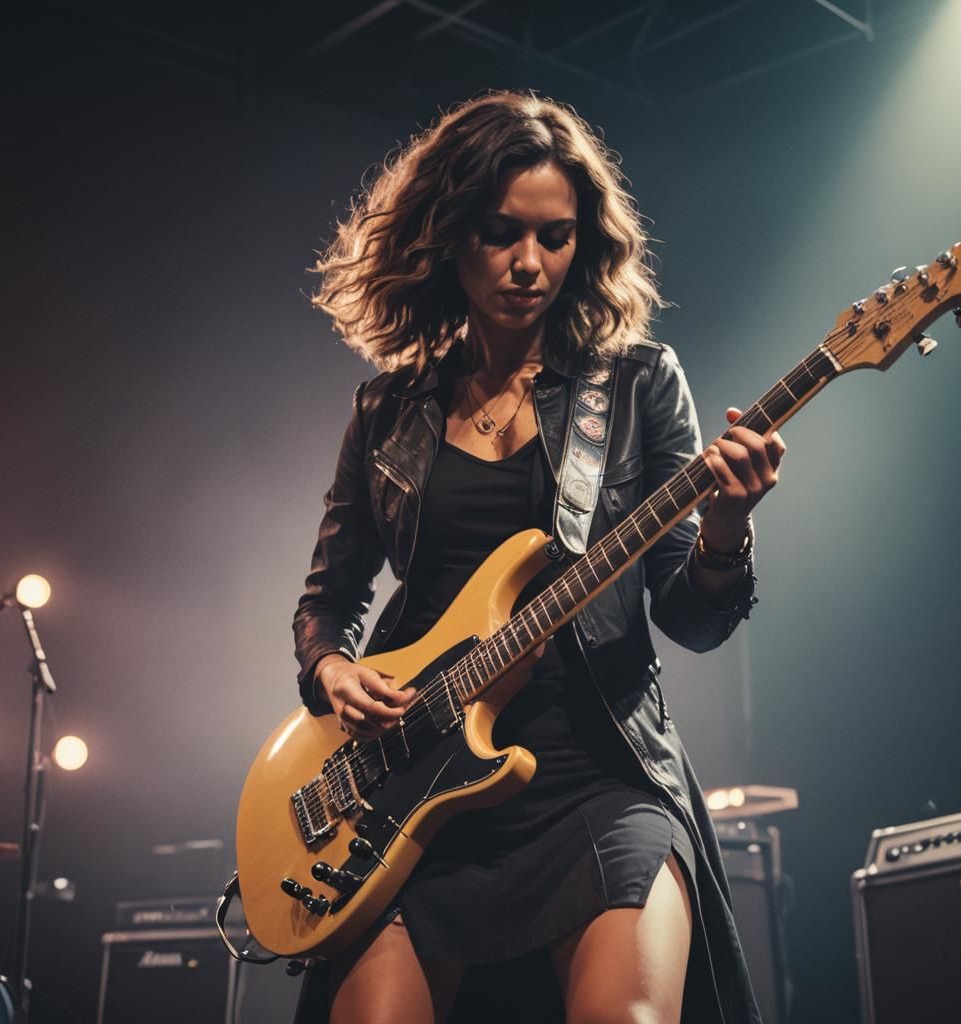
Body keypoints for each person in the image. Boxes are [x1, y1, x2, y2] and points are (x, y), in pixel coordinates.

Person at [292, 91, 785, 1024]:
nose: (530, 264)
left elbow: (689, 617)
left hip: (596, 781)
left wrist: (725, 531)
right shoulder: (386, 411)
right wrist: (332, 670)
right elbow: (327, 601)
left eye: (555, 237)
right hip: (418, 796)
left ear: (584, 243)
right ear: (448, 236)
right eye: (501, 232)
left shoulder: (639, 385)